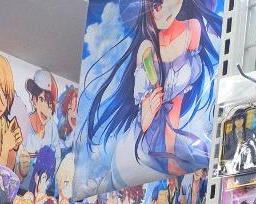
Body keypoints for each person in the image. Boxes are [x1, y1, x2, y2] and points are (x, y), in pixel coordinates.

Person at [79, 0, 221, 182]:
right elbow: (144, 108)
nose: (163, 10)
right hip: (146, 136)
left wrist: (171, 147)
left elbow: (179, 98)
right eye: (156, 5)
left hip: (176, 130)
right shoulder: (147, 48)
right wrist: (146, 114)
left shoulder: (192, 29)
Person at [21, 69, 59, 191]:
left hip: (42, 194)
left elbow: (57, 161)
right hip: (20, 193)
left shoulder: (52, 128)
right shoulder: (22, 125)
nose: (46, 109)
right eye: (42, 99)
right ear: (34, 100)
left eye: (50, 104)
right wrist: (21, 170)